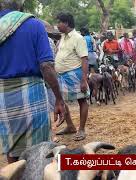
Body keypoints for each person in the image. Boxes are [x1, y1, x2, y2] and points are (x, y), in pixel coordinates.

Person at [0, 0, 65, 164]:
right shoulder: (34, 25)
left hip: (3, 97)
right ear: (21, 5)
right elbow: (47, 66)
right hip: (32, 93)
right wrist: (58, 98)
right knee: (40, 149)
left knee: (12, 149)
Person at [54, 12, 89, 141]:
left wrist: (84, 80)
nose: (57, 25)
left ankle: (81, 130)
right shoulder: (62, 37)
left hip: (75, 74)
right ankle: (70, 126)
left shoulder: (78, 38)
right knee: (61, 101)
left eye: (59, 22)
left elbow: (84, 59)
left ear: (66, 23)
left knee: (82, 100)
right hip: (62, 75)